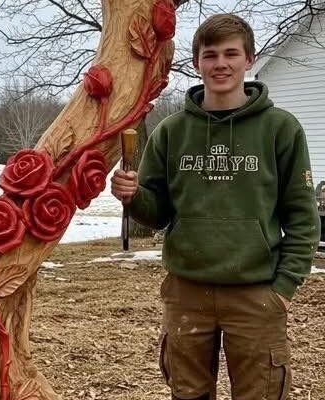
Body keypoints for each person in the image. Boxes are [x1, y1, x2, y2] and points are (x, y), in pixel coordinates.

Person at [111, 13, 320, 400]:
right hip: (186, 293)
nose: (220, 63)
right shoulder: (172, 131)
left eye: (231, 54)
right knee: (187, 393)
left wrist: (283, 288)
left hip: (256, 292)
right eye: (210, 55)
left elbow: (303, 217)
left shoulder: (280, 129)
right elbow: (157, 213)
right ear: (197, 63)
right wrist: (133, 195)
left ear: (249, 59)